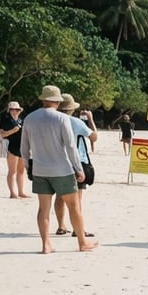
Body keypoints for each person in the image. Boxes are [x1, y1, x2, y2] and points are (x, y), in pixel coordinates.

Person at [19, 85, 96, 254]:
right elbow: (70, 146)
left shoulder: (30, 118)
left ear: (43, 99)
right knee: (74, 206)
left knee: (43, 209)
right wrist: (78, 168)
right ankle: (82, 242)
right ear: (57, 101)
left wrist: (27, 166)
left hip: (39, 169)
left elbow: (24, 147)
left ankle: (46, 244)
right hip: (62, 170)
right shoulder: (62, 119)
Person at [53, 93, 98, 237]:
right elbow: (94, 137)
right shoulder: (76, 122)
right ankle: (78, 229)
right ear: (71, 109)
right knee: (76, 199)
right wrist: (90, 119)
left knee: (60, 196)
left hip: (58, 162)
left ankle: (61, 226)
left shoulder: (53, 121)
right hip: (76, 162)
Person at [0, 100, 29, 198]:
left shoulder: (21, 120)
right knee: (12, 171)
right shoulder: (6, 121)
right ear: (9, 110)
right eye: (12, 109)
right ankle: (13, 193)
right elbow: (2, 134)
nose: (15, 111)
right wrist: (13, 130)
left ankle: (21, 192)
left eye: (17, 109)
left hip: (22, 147)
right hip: (11, 147)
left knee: (21, 171)